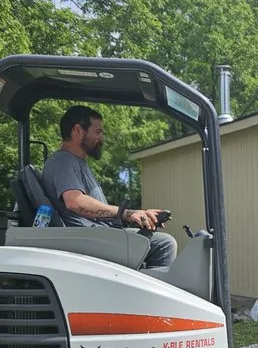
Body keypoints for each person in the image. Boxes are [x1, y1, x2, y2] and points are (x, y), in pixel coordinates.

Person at [41, 104, 177, 268]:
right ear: (78, 131)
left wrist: (140, 215)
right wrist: (126, 213)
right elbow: (74, 201)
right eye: (97, 132)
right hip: (90, 240)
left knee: (157, 240)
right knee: (164, 245)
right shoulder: (63, 162)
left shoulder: (77, 163)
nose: (101, 138)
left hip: (100, 236)